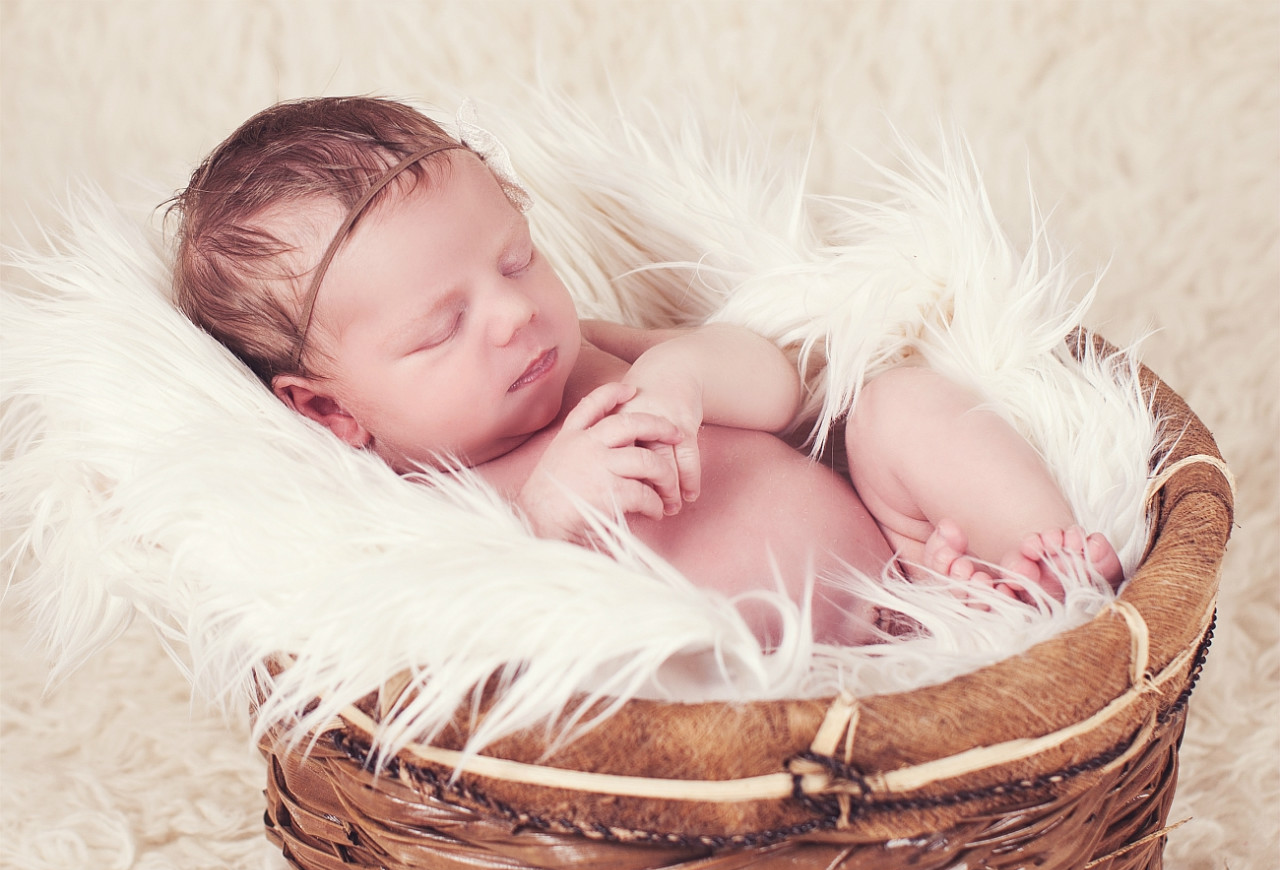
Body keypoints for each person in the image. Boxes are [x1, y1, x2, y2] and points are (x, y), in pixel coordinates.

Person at [170, 96, 1122, 646]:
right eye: (443, 327)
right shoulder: (404, 502)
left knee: (900, 404)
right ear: (329, 411)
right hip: (742, 728)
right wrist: (544, 520)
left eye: (516, 262)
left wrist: (681, 378)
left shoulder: (585, 354)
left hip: (906, 565)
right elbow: (458, 642)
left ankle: (1045, 574)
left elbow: (782, 387)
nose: (513, 314)